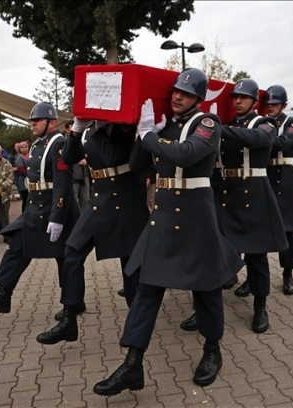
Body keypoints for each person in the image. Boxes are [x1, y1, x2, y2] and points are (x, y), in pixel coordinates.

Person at [93, 68, 244, 396]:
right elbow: (137, 165)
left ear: (198, 99)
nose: (178, 96)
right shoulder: (168, 125)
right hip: (163, 216)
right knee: (147, 287)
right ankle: (133, 362)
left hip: (195, 216)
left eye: (186, 94)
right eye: (176, 90)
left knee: (205, 288)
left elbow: (186, 154)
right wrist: (141, 133)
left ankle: (212, 349)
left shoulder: (207, 124)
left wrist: (150, 136)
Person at [35, 119, 149, 345]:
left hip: (126, 202)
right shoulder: (89, 129)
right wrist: (76, 131)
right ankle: (69, 318)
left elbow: (110, 157)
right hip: (99, 201)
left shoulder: (122, 125)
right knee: (72, 253)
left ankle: (138, 325)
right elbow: (68, 158)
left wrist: (98, 126)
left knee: (131, 269)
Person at [0, 102, 79, 317]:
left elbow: (63, 184)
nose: (33, 124)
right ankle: (4, 294)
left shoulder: (59, 144)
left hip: (56, 210)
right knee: (17, 247)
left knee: (65, 260)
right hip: (35, 209)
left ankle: (72, 305)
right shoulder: (38, 144)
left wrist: (57, 217)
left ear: (52, 123)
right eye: (32, 121)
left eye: (37, 121)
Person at [264, 84, 293, 297]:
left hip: (285, 180)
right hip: (265, 178)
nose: (270, 107)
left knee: (287, 230)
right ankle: (256, 276)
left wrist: (260, 138)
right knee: (259, 231)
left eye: (275, 103)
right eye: (268, 103)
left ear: (284, 104)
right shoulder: (262, 122)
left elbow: (282, 143)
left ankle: (288, 273)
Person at [13, 142, 30, 212]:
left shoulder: (31, 155)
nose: (24, 149)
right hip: (24, 182)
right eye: (22, 147)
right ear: (19, 149)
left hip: (32, 181)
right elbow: (21, 170)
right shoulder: (19, 158)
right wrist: (32, 174)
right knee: (25, 200)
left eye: (26, 147)